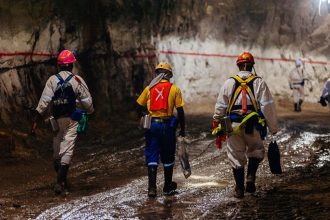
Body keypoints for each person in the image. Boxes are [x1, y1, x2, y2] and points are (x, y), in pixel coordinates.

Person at [212, 52, 278, 198]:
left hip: (232, 126)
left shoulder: (228, 82)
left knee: (235, 155)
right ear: (252, 66)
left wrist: (216, 124)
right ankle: (250, 177)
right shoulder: (259, 82)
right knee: (256, 150)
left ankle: (239, 189)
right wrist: (273, 128)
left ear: (238, 65)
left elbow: (220, 106)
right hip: (253, 125)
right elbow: (267, 106)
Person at [33, 49, 94, 195]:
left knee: (57, 146)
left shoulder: (52, 80)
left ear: (59, 65)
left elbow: (44, 101)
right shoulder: (77, 80)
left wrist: (36, 117)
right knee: (68, 146)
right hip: (73, 118)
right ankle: (60, 182)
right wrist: (90, 111)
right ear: (72, 65)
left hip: (57, 118)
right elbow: (87, 101)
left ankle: (62, 179)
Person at [136, 62, 185, 197]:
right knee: (168, 156)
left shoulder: (149, 89)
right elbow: (180, 111)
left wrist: (143, 116)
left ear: (157, 73)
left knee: (152, 154)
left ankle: (152, 189)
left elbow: (138, 106)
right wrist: (183, 129)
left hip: (152, 125)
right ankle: (167, 187)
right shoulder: (174, 89)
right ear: (168, 75)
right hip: (167, 126)